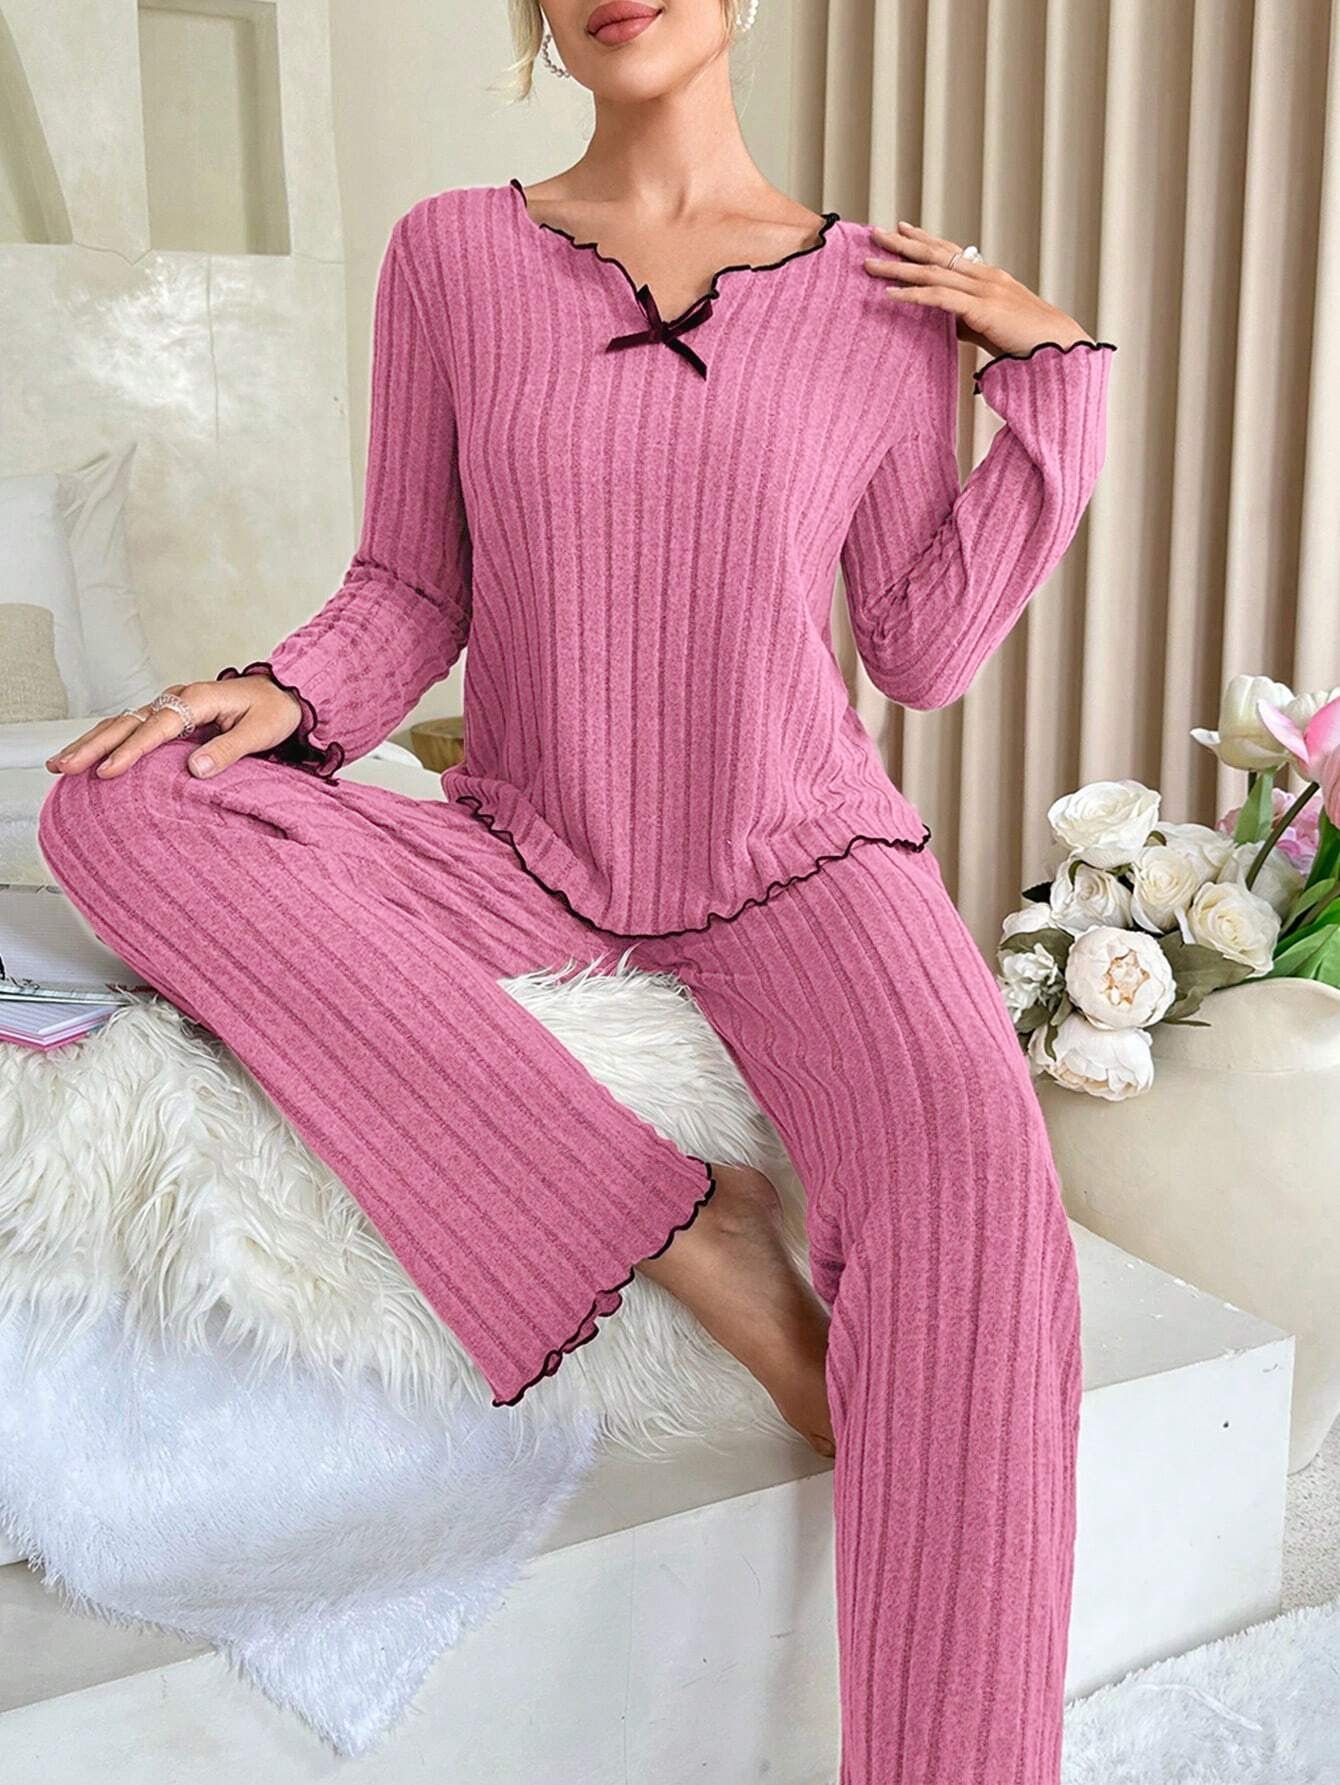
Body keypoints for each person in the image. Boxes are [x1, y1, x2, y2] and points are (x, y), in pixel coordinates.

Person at [40, 1, 1114, 1777]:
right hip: (526, 846)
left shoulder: (879, 297)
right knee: (124, 804)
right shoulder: (454, 256)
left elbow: (920, 650)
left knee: (982, 1199)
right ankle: (676, 1226)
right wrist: (288, 693)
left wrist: (1053, 387)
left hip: (801, 859)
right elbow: (409, 586)